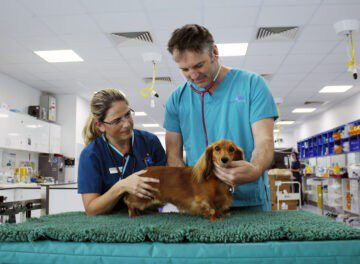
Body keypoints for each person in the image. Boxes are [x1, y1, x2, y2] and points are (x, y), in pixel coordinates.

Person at [163, 24, 278, 211]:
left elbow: (264, 141)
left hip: (248, 203)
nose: (193, 75)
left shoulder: (252, 85)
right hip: (201, 202)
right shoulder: (177, 99)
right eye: (185, 69)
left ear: (214, 52)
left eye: (199, 65)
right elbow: (174, 156)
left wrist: (255, 169)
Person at [78, 88, 166, 215]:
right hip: (109, 225)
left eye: (127, 114)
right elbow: (91, 209)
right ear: (100, 126)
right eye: (117, 121)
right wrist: (122, 186)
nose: (127, 124)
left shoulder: (150, 142)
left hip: (148, 218)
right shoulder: (91, 155)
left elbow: (165, 187)